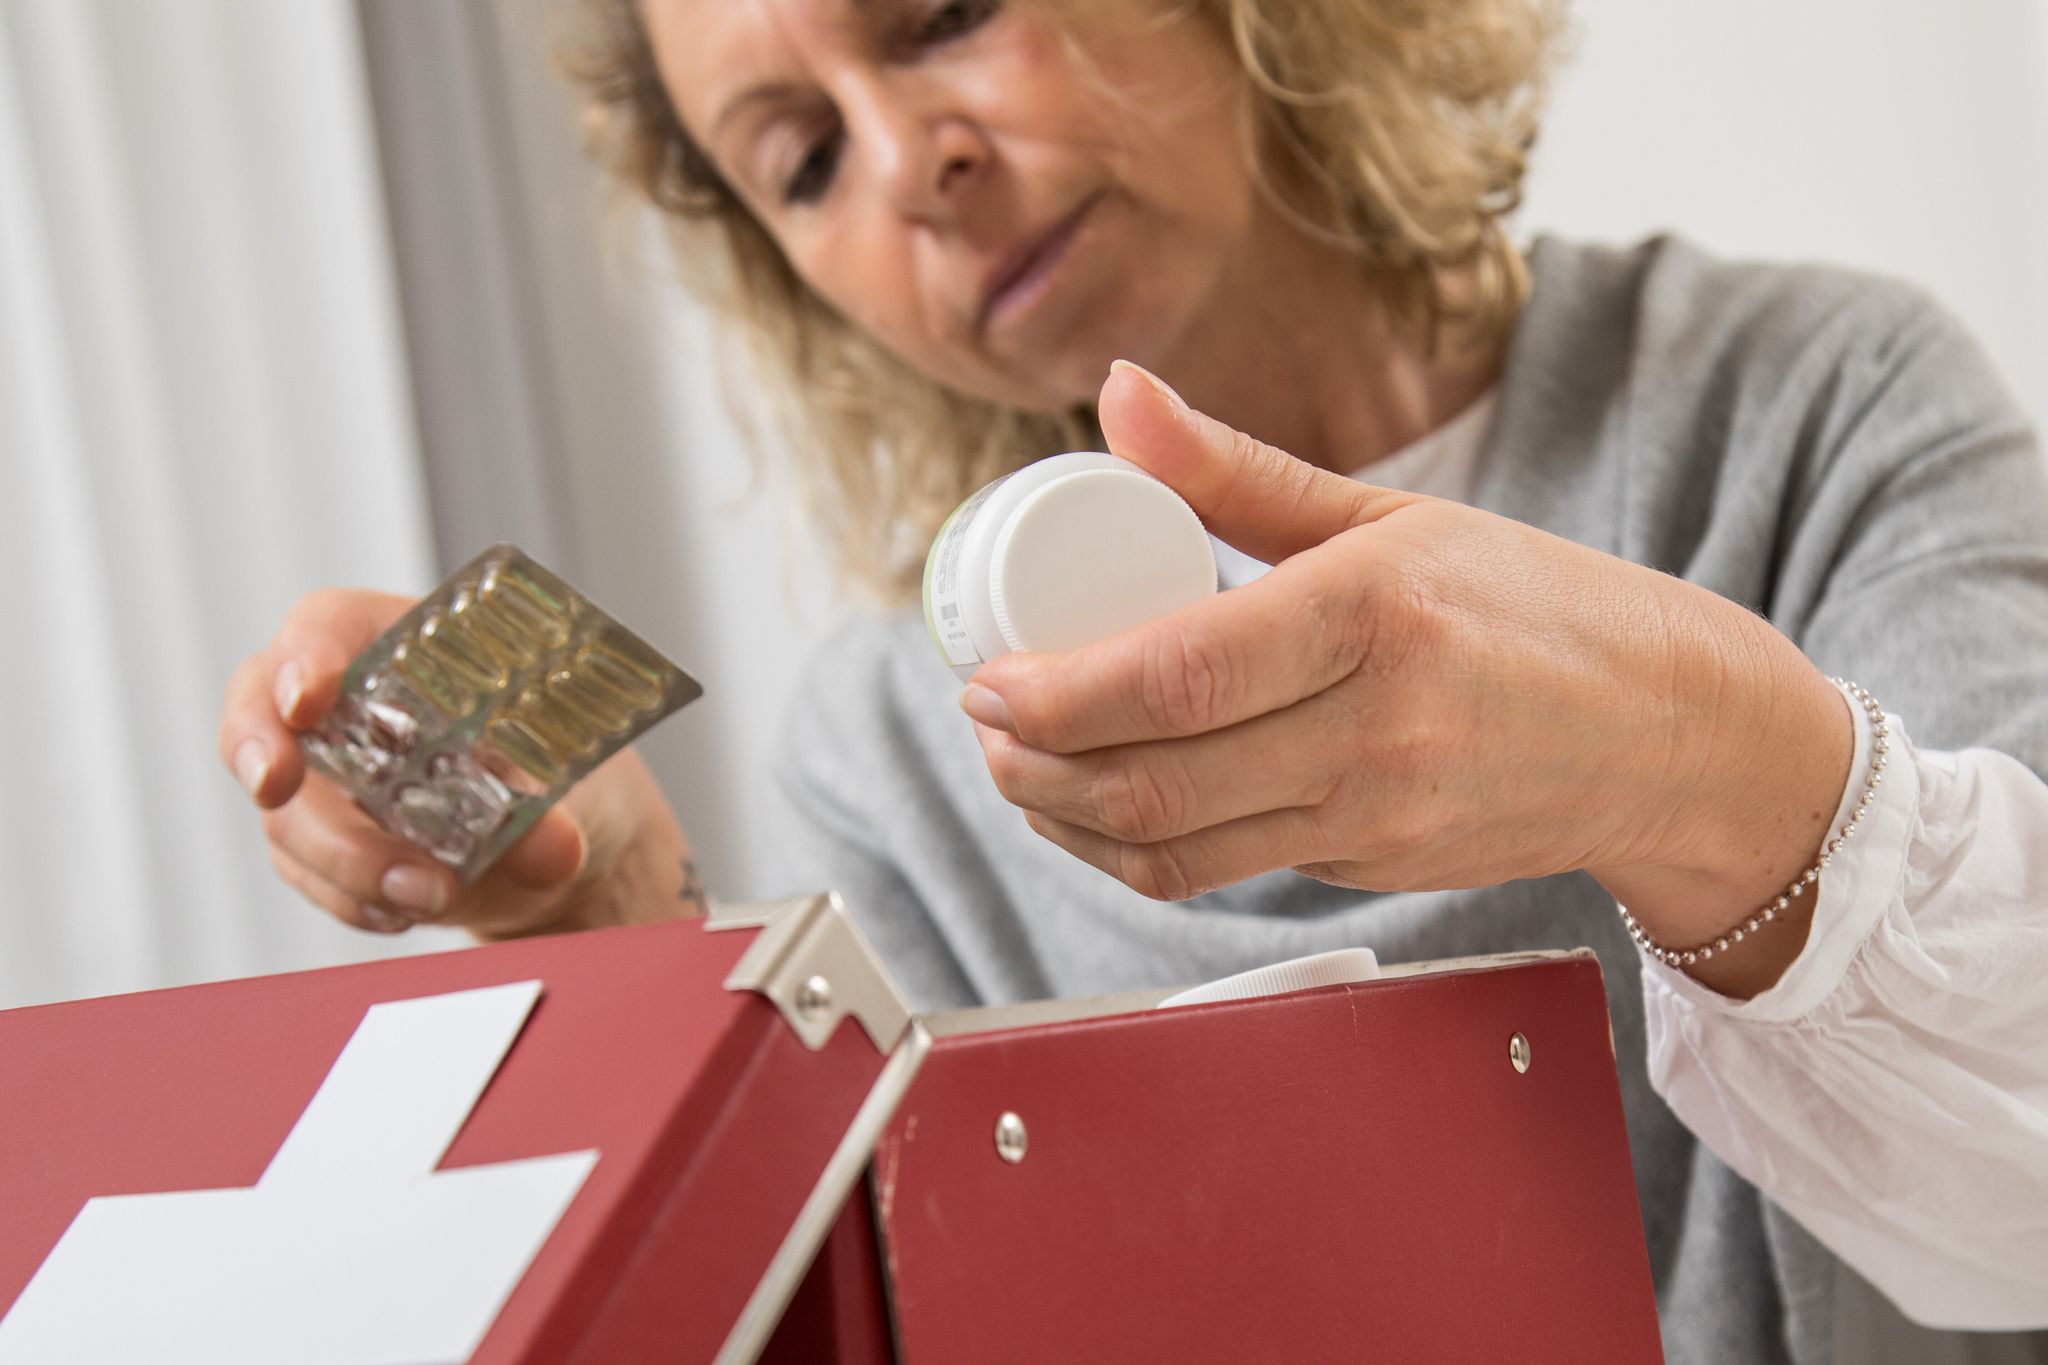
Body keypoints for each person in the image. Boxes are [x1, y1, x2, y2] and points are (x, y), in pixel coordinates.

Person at [216, 0, 2048, 1357]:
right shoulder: (903, 750)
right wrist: (620, 923)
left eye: (939, 15)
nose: (911, 167)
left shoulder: (1818, 407)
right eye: (804, 159)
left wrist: (1681, 766)